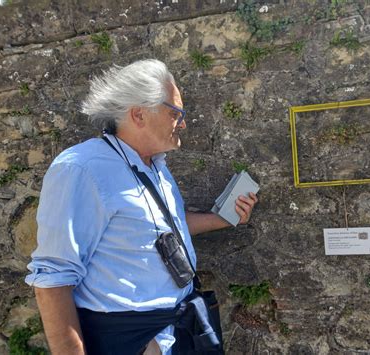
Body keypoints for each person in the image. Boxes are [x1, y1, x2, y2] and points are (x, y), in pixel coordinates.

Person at [25, 59, 258, 355]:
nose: (183, 123)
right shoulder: (81, 168)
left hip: (178, 332)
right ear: (139, 114)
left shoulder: (156, 166)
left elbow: (164, 228)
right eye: (175, 113)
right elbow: (52, 278)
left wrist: (222, 219)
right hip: (130, 342)